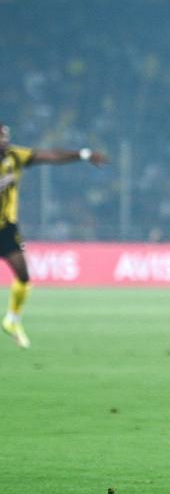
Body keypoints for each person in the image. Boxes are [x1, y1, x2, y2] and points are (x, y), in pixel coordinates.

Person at [0, 122, 108, 348]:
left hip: (5, 227)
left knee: (23, 276)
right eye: (1, 137)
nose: (5, 140)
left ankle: (12, 319)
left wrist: (83, 154)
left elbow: (50, 156)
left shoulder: (15, 156)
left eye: (6, 136)